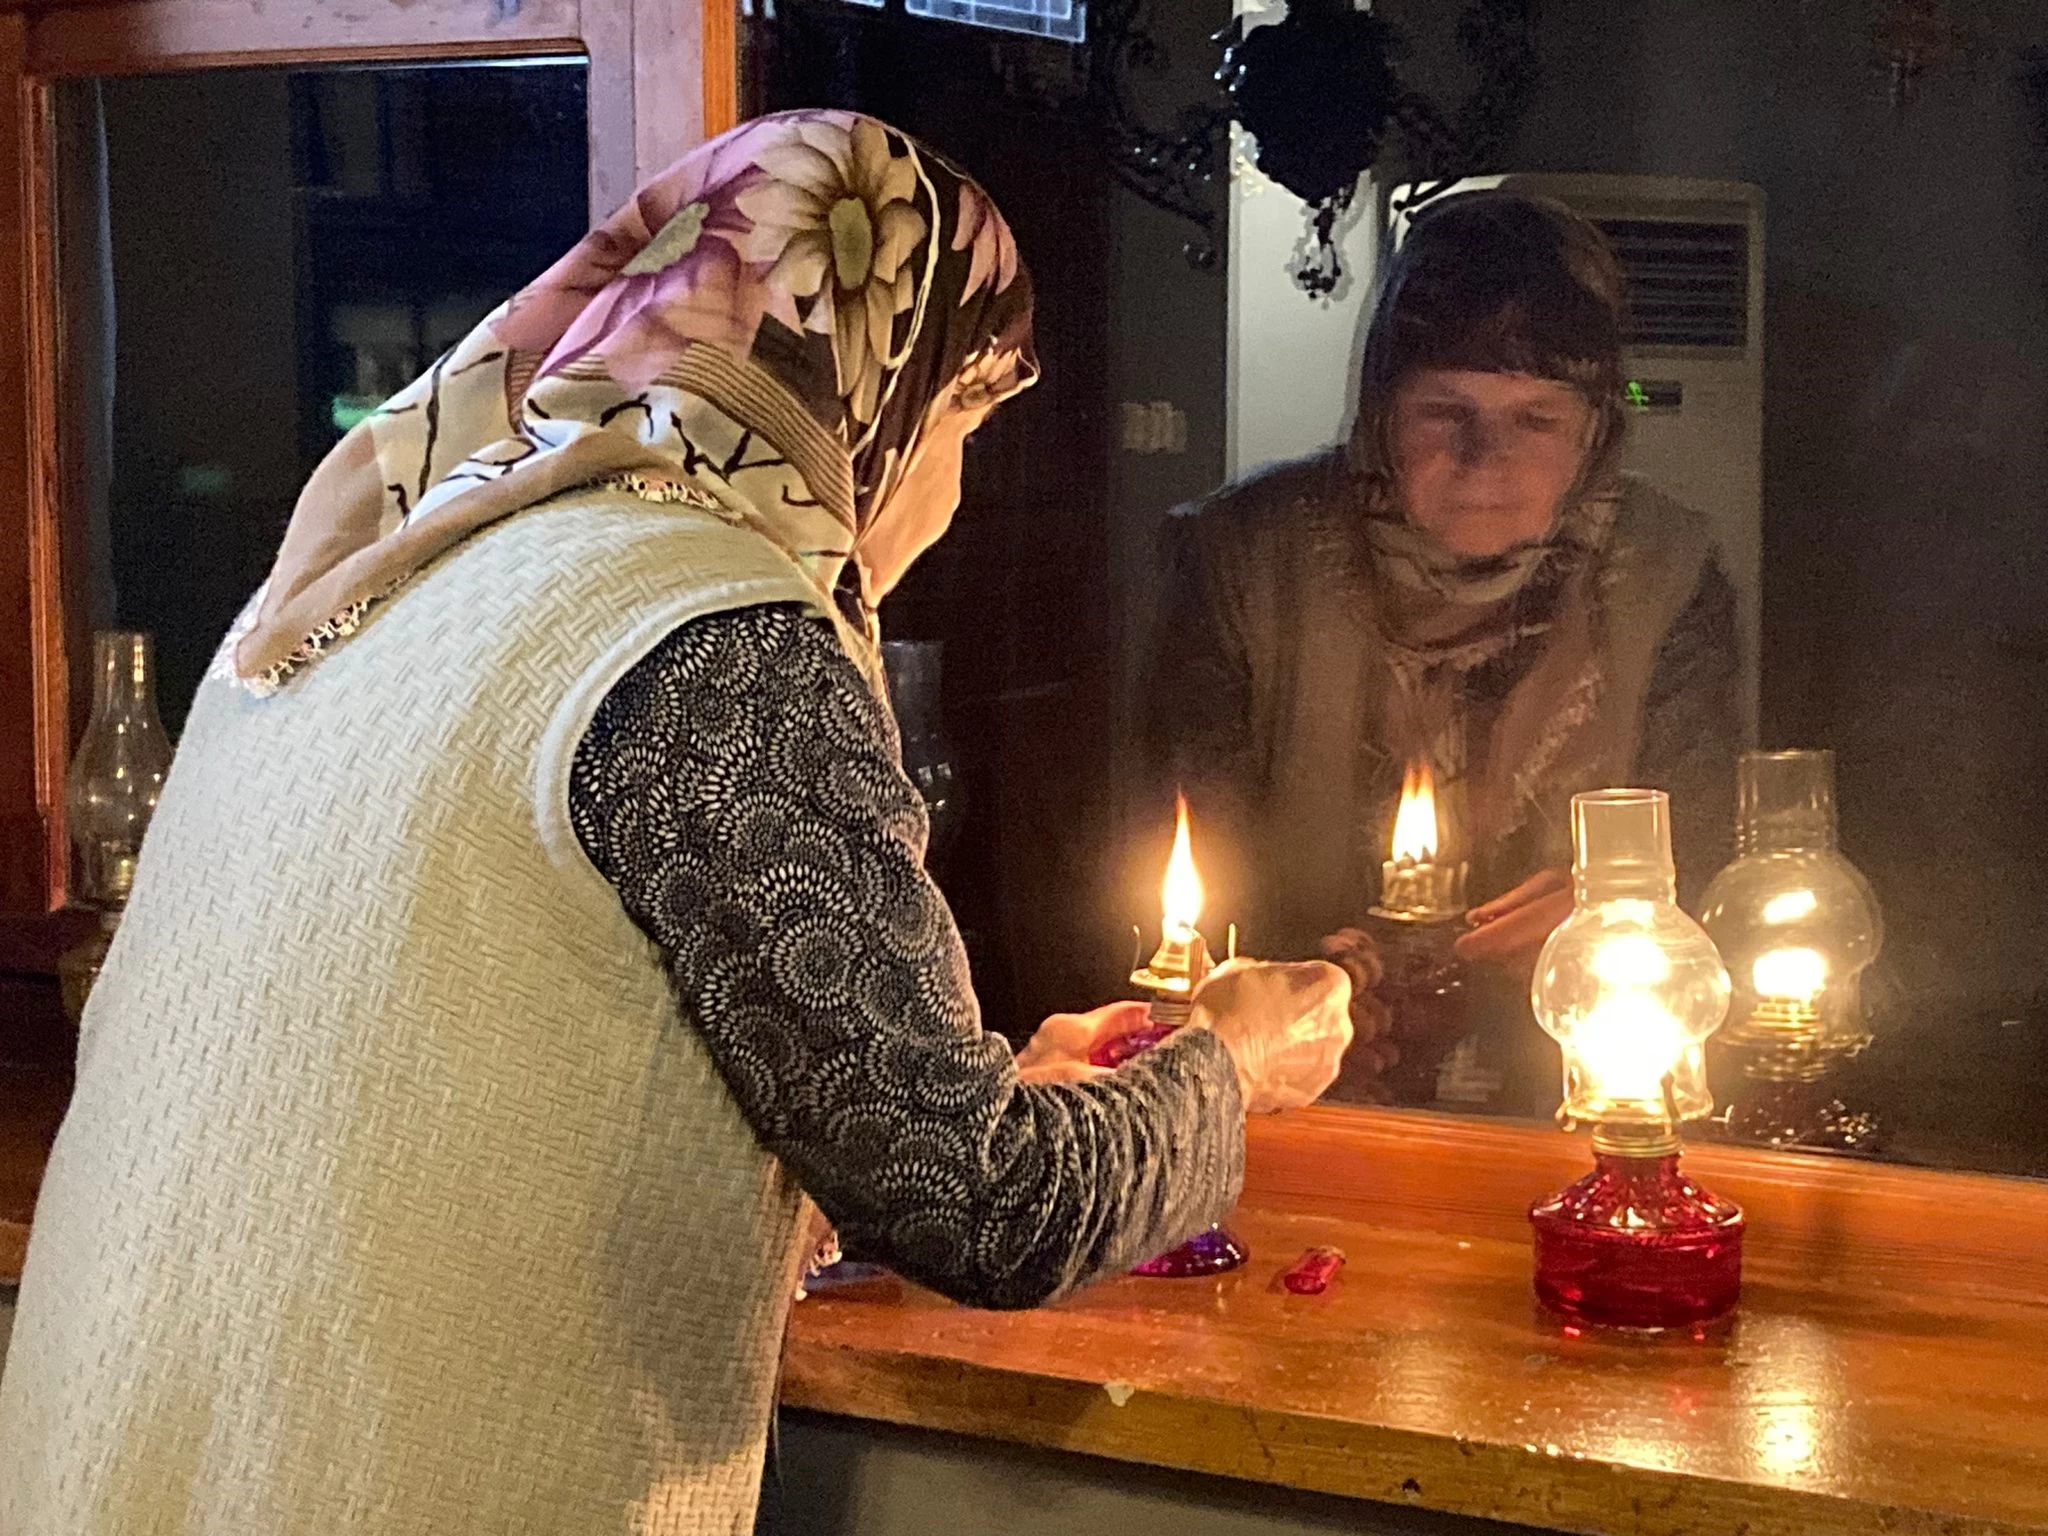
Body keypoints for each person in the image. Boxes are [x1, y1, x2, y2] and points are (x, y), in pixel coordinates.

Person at [0, 111, 1350, 1535]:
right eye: (962, 419)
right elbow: (983, 1205)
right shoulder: (716, 636)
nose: (951, 492)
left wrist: (1004, 1078)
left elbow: (516, 1067)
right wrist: (1229, 1063)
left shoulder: (369, 586)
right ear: (867, 389)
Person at [1145, 191, 1739, 1106]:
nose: (1485, 458)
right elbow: (1188, 852)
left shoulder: (1664, 578)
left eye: (1535, 420)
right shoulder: (1244, 560)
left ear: (1595, 433)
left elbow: (1704, 847)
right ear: (1382, 414)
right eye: (1443, 413)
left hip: (1575, 1077)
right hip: (1290, 1085)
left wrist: (1619, 911)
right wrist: (1304, 991)